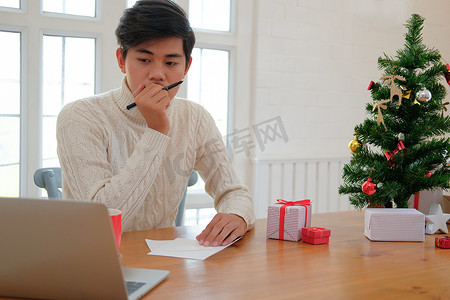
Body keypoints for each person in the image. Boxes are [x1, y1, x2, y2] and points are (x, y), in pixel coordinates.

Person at [56, 0, 255, 247]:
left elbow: (233, 191)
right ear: (121, 60)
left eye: (171, 63)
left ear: (186, 67)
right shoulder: (80, 116)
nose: (158, 75)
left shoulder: (195, 117)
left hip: (163, 260)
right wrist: (157, 131)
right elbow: (103, 221)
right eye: (144, 60)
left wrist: (237, 215)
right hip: (93, 259)